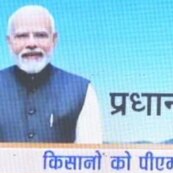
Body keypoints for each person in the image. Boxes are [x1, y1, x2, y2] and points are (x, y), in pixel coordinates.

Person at [1, 5, 102, 143]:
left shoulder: (82, 90)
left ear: (54, 40)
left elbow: (90, 153)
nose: (31, 43)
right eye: (22, 36)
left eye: (40, 35)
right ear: (9, 42)